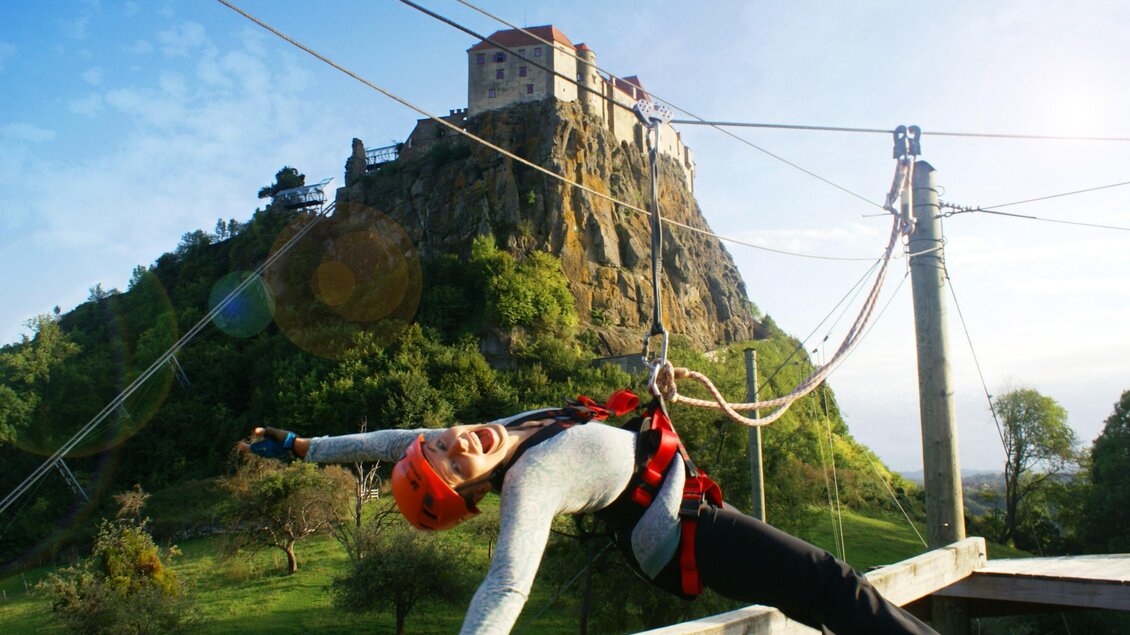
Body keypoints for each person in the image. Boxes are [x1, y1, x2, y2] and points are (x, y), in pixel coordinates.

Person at [244, 390, 937, 635]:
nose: (457, 446)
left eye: (441, 446)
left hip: (678, 505)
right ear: (475, 493)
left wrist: (305, 446)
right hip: (683, 534)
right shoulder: (531, 479)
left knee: (818, 594)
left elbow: (394, 440)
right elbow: (507, 583)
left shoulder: (489, 432)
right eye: (456, 469)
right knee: (828, 581)